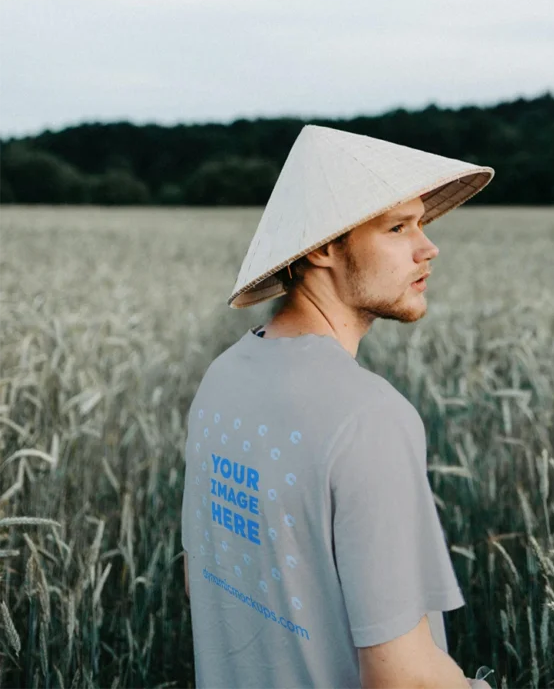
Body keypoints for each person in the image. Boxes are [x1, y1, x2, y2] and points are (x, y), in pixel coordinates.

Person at [181, 123, 495, 688]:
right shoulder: (369, 417)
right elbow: (404, 679)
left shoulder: (220, 381)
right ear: (324, 245)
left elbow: (206, 581)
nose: (429, 247)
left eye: (422, 223)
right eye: (398, 227)